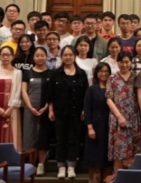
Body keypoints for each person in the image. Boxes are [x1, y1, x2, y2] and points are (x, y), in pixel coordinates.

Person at [48, 46, 89, 179]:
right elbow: (51, 94)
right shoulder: (55, 73)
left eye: (70, 55)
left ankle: (71, 166)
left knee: (73, 139)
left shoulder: (81, 73)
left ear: (75, 56)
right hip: (59, 112)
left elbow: (86, 94)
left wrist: (84, 109)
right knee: (60, 139)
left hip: (76, 112)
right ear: (61, 57)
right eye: (65, 55)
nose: (68, 57)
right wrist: (50, 109)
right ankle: (61, 166)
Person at [107, 51, 141, 173]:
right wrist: (119, 116)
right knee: (119, 151)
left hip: (134, 117)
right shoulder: (112, 78)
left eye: (127, 62)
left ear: (131, 62)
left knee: (134, 150)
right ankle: (117, 177)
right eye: (121, 62)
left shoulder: (136, 77)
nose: (124, 65)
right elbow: (108, 99)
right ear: (117, 63)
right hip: (118, 117)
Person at [21, 47, 51, 176]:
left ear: (46, 57)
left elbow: (52, 92)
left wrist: (46, 106)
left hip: (45, 109)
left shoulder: (51, 73)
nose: (40, 58)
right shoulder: (27, 73)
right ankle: (30, 165)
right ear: (33, 57)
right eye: (37, 56)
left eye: (42, 55)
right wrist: (30, 107)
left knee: (43, 136)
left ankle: (41, 164)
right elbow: (23, 91)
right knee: (29, 135)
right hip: (30, 108)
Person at [84, 63, 112, 183]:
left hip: (110, 128)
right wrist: (90, 127)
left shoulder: (113, 88)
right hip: (95, 128)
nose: (103, 74)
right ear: (96, 73)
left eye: (106, 71)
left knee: (107, 163)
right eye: (101, 71)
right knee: (95, 163)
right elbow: (87, 109)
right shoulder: (92, 89)